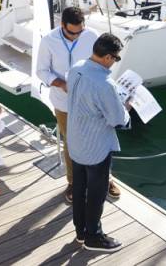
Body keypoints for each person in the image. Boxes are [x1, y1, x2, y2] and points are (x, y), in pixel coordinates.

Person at [36, 7, 120, 203]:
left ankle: (106, 179)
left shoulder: (91, 36)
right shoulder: (48, 41)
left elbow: (101, 63)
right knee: (70, 142)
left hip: (92, 100)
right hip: (64, 102)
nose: (76, 36)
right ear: (62, 25)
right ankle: (73, 182)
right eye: (72, 32)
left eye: (80, 31)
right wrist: (61, 84)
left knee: (102, 140)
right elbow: (41, 71)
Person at [67, 33, 130, 253]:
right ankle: (94, 236)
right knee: (96, 193)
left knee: (79, 188)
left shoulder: (75, 68)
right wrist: (127, 108)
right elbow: (117, 119)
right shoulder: (105, 84)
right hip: (96, 147)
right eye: (116, 58)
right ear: (108, 58)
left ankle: (80, 232)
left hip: (76, 142)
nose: (114, 63)